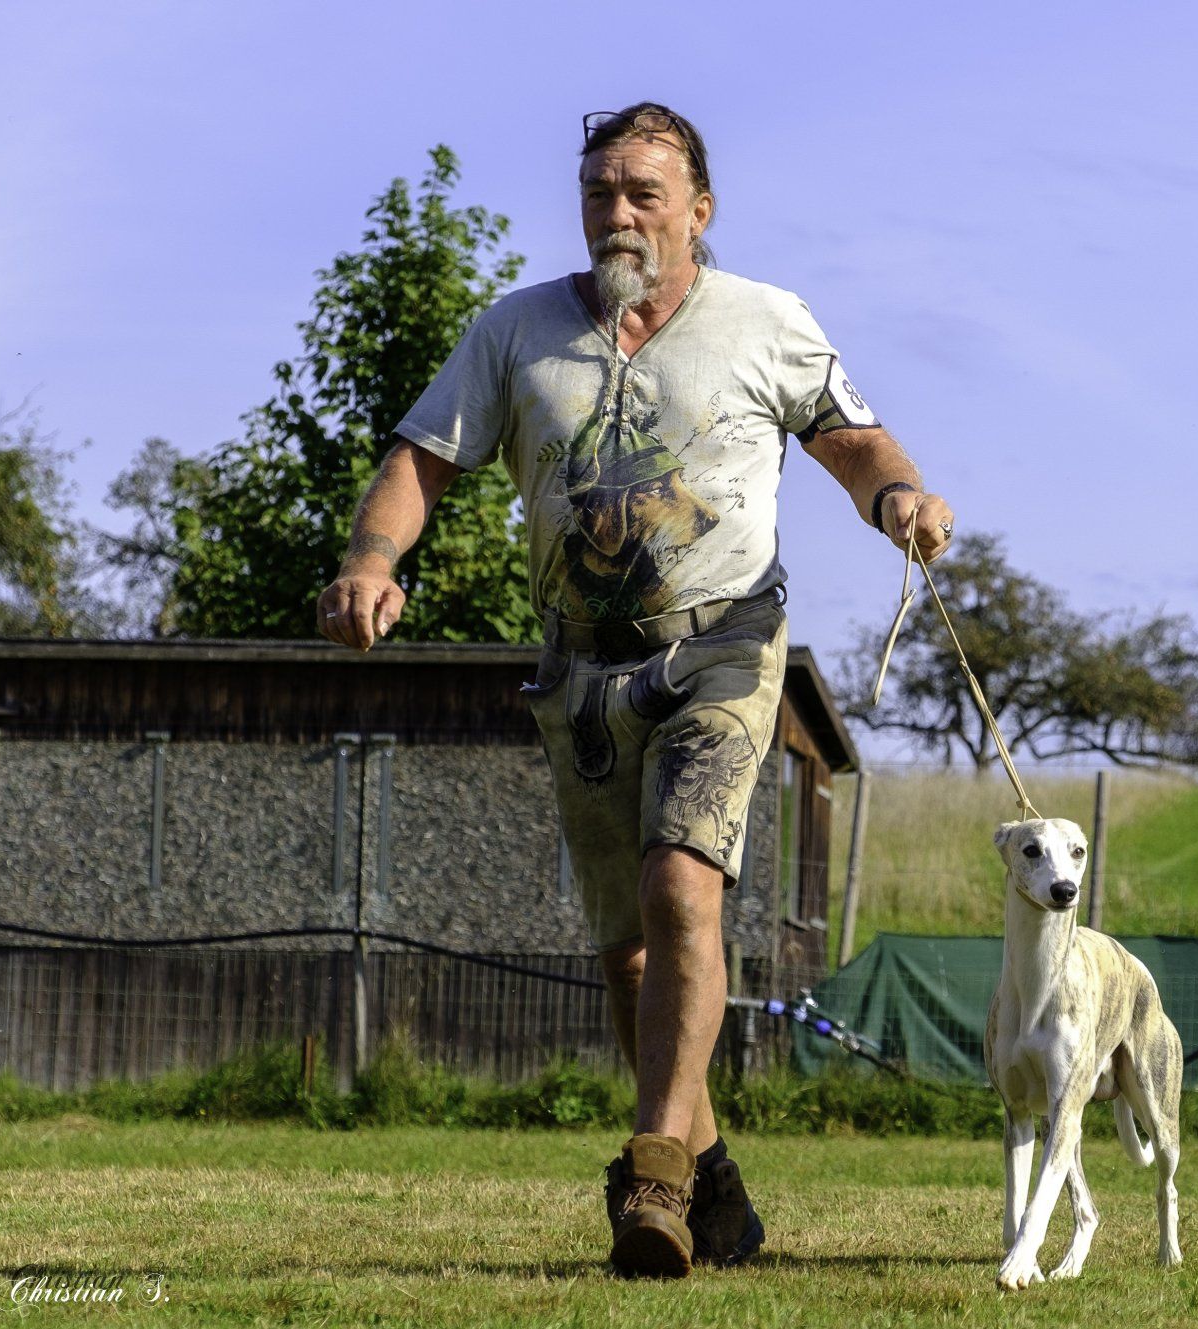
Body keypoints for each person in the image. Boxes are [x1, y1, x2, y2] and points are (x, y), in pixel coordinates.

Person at [316, 102, 955, 1278]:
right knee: (629, 957)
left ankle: (652, 1176)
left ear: (698, 211)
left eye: (643, 193)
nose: (617, 213)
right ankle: (713, 1190)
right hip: (580, 666)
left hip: (723, 647)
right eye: (599, 192)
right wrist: (371, 559)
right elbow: (421, 460)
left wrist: (899, 497)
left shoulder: (766, 321)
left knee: (680, 884)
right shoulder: (517, 331)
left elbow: (853, 438)